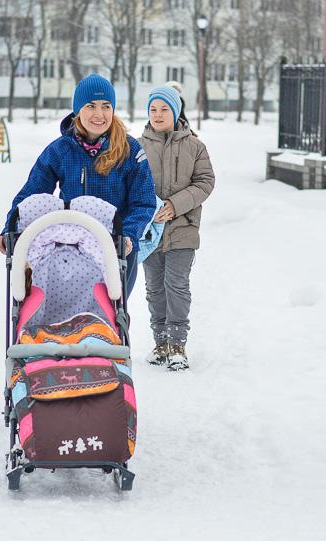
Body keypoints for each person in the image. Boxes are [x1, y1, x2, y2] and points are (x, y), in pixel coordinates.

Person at [0, 73, 157, 296]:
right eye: (91, 106)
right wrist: (10, 229)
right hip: (71, 246)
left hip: (116, 248)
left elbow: (144, 201)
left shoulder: (130, 150)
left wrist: (127, 234)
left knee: (111, 310)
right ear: (78, 110)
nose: (99, 114)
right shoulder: (60, 150)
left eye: (106, 106)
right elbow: (31, 195)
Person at [138, 85, 215, 371]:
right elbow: (129, 184)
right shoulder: (137, 146)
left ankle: (177, 345)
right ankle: (160, 343)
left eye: (164, 109)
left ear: (176, 112)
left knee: (177, 286)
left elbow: (205, 182)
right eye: (153, 109)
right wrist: (148, 210)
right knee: (154, 289)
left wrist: (175, 204)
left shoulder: (194, 146)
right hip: (150, 233)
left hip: (183, 228)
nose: (158, 115)